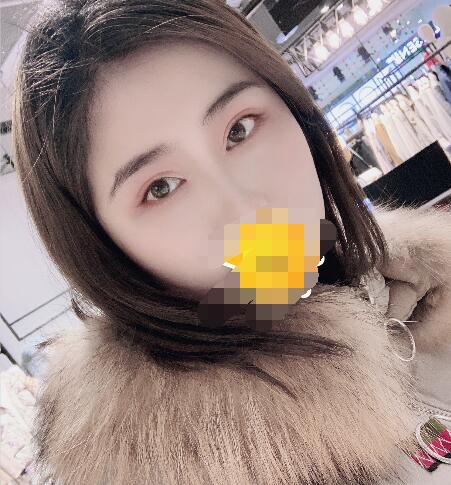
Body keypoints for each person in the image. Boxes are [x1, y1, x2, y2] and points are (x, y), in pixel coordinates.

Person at [11, 1, 451, 484]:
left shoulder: (422, 289)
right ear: (104, 252)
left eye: (239, 130)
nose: (247, 212)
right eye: (161, 188)